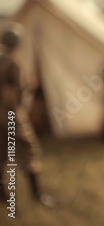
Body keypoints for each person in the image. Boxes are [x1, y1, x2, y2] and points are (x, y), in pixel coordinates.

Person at [0, 23, 56, 208]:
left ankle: (3, 194)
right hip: (10, 115)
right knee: (28, 150)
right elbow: (16, 92)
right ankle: (37, 195)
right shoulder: (13, 62)